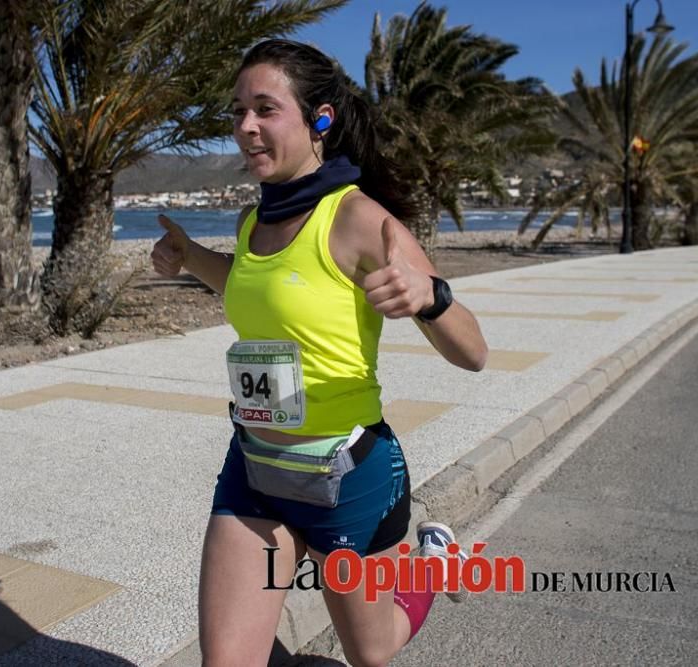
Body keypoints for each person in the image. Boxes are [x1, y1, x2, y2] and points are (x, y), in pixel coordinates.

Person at [150, 39, 488, 667]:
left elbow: (473, 352)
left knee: (373, 650)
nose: (245, 126)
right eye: (238, 110)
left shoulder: (362, 221)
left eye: (265, 108)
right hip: (255, 466)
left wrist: (430, 296)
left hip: (349, 473)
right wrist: (190, 258)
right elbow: (262, 292)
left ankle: (433, 564)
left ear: (320, 120)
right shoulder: (254, 222)